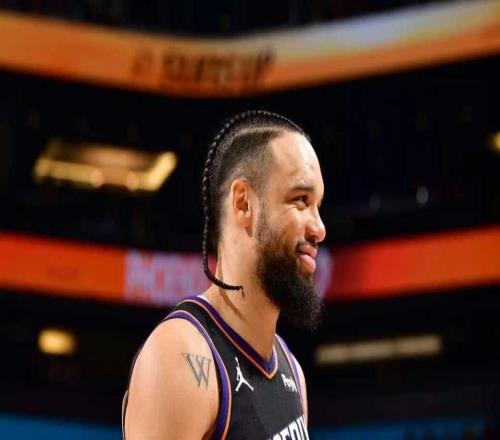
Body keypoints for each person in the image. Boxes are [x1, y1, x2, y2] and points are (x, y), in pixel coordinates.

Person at [122, 110, 326, 439]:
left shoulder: (292, 372)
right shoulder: (180, 356)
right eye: (301, 200)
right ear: (243, 203)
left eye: (318, 205)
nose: (319, 228)